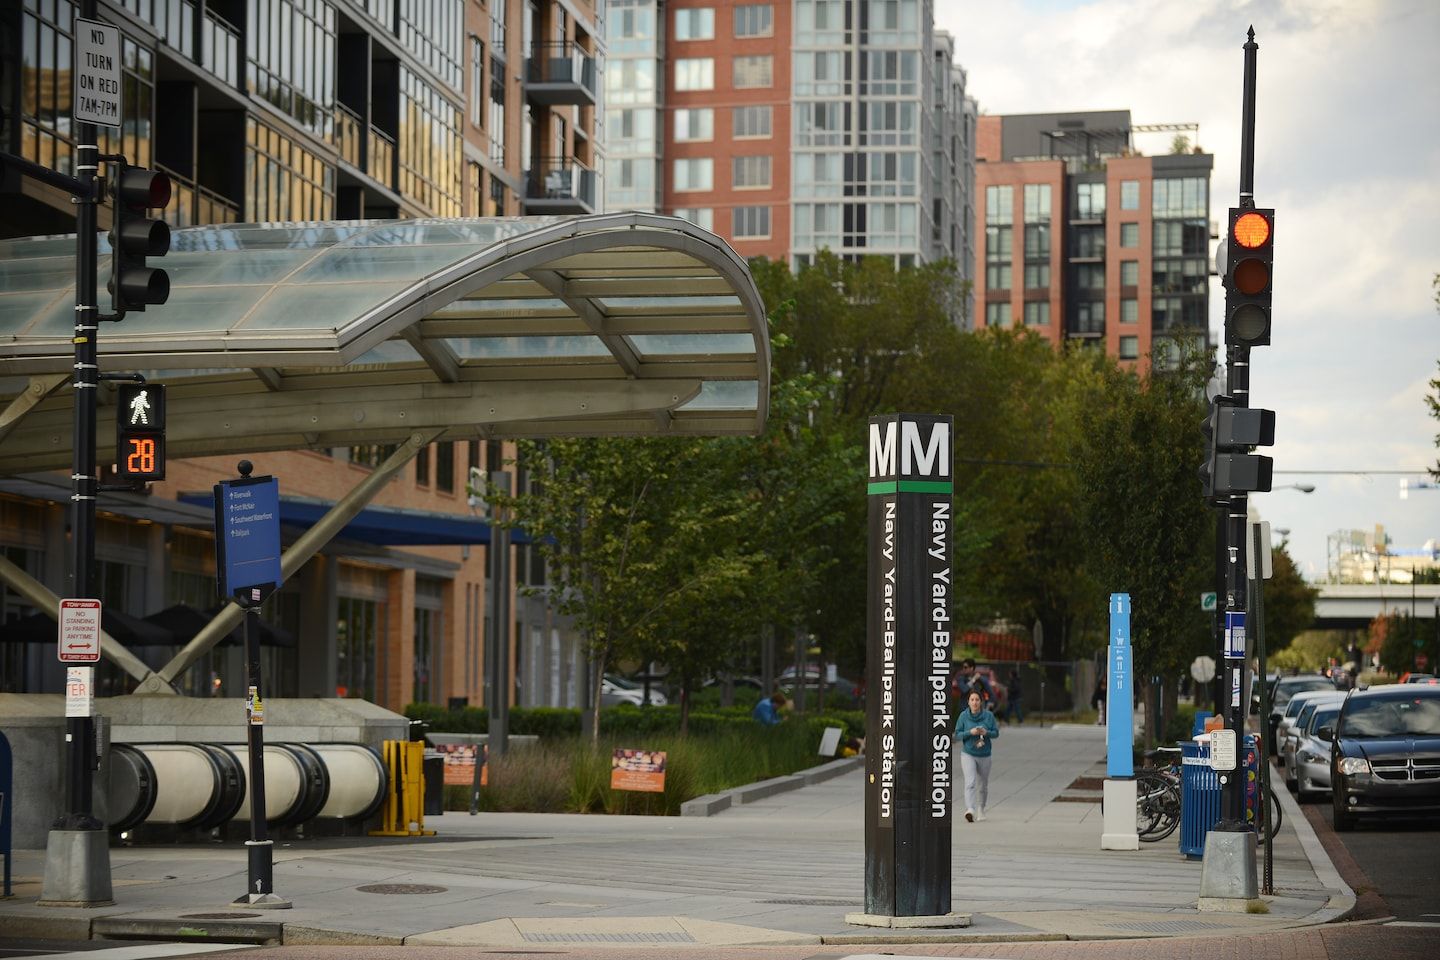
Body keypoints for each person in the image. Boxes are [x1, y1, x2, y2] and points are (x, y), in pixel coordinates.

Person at [956, 690, 999, 822]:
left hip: (985, 754)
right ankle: (970, 809)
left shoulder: (989, 716)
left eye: (977, 700)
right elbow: (957, 735)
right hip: (968, 753)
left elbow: (996, 733)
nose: (974, 702)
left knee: (983, 784)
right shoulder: (963, 716)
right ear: (968, 702)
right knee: (970, 782)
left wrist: (986, 732)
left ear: (981, 702)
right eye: (972, 700)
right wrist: (970, 732)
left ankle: (981, 809)